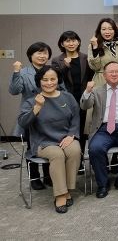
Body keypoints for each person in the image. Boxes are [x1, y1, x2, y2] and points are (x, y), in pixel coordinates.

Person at [18, 66, 81, 213]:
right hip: (43, 142)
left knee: (75, 150)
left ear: (58, 80)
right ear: (39, 81)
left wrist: (71, 135)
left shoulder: (68, 97)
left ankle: (68, 189)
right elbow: (23, 123)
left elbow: (76, 117)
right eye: (45, 79)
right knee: (57, 154)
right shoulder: (32, 101)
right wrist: (37, 107)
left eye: (53, 79)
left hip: (65, 138)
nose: (49, 83)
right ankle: (60, 195)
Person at [81, 61, 118, 198]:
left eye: (117, 71)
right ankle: (103, 184)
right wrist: (87, 91)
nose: (114, 74)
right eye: (111, 72)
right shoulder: (96, 91)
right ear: (104, 75)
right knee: (95, 148)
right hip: (102, 129)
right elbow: (85, 106)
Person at [9, 41, 56, 189]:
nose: (42, 56)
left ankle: (48, 176)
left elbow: (61, 89)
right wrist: (16, 72)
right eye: (39, 53)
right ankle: (34, 177)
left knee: (50, 144)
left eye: (45, 53)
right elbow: (14, 91)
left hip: (50, 113)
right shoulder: (23, 72)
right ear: (31, 55)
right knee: (32, 146)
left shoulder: (51, 71)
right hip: (31, 113)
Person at [52, 31, 93, 160]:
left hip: (83, 99)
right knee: (68, 129)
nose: (71, 43)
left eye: (74, 40)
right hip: (66, 100)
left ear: (78, 42)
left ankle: (80, 159)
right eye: (67, 41)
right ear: (62, 44)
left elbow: (91, 77)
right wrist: (65, 66)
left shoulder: (86, 58)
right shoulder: (57, 60)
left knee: (82, 129)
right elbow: (56, 80)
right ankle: (68, 157)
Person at [88, 17, 118, 87]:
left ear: (115, 30)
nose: (107, 32)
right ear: (99, 31)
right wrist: (95, 48)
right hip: (100, 84)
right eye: (104, 29)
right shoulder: (93, 45)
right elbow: (95, 67)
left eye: (110, 29)